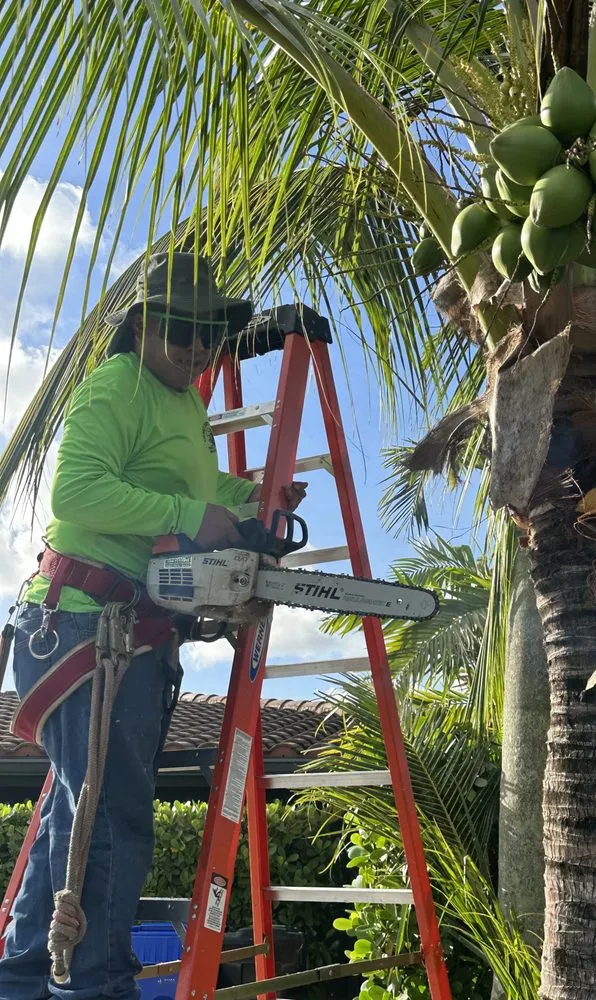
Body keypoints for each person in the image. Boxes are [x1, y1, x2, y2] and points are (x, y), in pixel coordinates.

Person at [0, 253, 307, 1000]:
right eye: (183, 332)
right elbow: (76, 492)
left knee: (80, 809)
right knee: (109, 815)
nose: (199, 348)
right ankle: (95, 986)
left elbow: (193, 486)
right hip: (84, 628)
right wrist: (186, 514)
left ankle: (22, 979)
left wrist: (248, 499)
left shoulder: (184, 404)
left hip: (120, 632)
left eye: (209, 335)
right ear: (143, 326)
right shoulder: (117, 387)